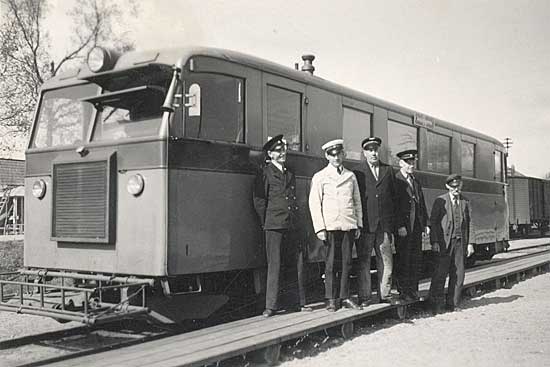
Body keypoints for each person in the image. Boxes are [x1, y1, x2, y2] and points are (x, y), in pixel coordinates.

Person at [253, 134, 312, 317]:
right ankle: (271, 306)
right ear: (270, 154)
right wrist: (268, 221)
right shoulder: (264, 172)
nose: (282, 153)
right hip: (274, 225)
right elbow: (259, 200)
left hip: (291, 224)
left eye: (283, 150)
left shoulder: (289, 172)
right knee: (275, 265)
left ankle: (297, 302)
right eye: (278, 151)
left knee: (295, 264)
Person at [309, 139, 363, 311]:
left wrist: (358, 224)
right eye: (332, 155)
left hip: (348, 224)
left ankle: (345, 297)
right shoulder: (320, 177)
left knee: (347, 262)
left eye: (339, 154)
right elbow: (315, 203)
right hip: (330, 226)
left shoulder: (350, 176)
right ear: (327, 156)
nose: (336, 157)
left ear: (343, 154)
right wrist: (320, 228)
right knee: (331, 263)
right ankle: (331, 299)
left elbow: (357, 201)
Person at [355, 136, 399, 305]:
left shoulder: (388, 170)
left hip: (384, 225)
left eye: (375, 149)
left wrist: (393, 226)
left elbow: (394, 199)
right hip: (366, 225)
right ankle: (365, 297)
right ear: (364, 153)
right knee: (364, 262)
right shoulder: (357, 172)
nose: (373, 153)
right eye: (369, 150)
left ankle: (385, 295)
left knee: (386, 261)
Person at [429, 174, 475, 314]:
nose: (456, 189)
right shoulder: (440, 201)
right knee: (440, 274)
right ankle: (436, 305)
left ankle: (453, 303)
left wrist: (470, 243)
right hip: (444, 243)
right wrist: (435, 241)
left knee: (458, 274)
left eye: (459, 186)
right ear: (447, 187)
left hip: (460, 243)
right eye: (453, 187)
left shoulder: (465, 202)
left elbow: (470, 223)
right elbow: (434, 223)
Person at [394, 149, 430, 302]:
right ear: (400, 163)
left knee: (415, 259)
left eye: (413, 162)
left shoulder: (415, 181)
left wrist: (425, 224)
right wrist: (399, 225)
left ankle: (413, 290)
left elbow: (421, 205)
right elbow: (394, 206)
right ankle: (403, 291)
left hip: (416, 226)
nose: (411, 165)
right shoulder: (396, 180)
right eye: (408, 162)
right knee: (403, 259)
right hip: (404, 227)